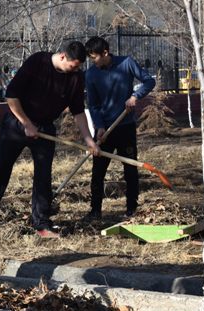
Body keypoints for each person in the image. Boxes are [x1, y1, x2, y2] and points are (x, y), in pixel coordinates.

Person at [0, 41, 98, 238]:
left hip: (45, 129)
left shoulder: (75, 77)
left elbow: (78, 111)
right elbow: (11, 96)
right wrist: (27, 124)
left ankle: (41, 223)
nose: (76, 69)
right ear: (63, 56)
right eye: (74, 65)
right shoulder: (37, 62)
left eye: (79, 67)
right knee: (0, 169)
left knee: (43, 177)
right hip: (16, 124)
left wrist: (88, 139)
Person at [84, 36, 155, 219]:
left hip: (125, 127)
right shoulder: (91, 74)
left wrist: (135, 96)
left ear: (105, 53)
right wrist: (99, 126)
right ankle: (95, 210)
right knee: (98, 171)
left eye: (94, 57)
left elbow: (149, 81)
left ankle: (132, 209)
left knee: (130, 169)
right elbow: (93, 105)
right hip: (104, 130)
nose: (92, 61)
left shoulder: (126, 63)